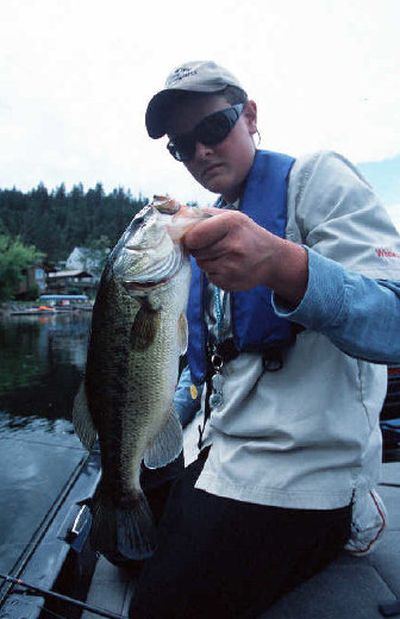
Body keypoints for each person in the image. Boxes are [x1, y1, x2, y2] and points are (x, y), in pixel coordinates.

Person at [129, 60, 400, 619]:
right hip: (224, 447)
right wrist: (153, 417)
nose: (200, 151)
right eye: (182, 146)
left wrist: (284, 265)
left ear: (250, 116)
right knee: (123, 533)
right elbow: (207, 366)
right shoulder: (205, 227)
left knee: (158, 610)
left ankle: (350, 517)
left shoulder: (317, 179)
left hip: (302, 472)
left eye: (212, 128)